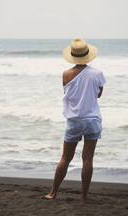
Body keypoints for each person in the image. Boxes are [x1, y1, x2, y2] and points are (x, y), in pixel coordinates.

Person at [45, 38, 106, 201]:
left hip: (74, 121)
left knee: (66, 158)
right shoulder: (97, 73)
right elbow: (98, 94)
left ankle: (53, 192)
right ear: (88, 55)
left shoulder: (66, 74)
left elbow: (68, 94)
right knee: (88, 158)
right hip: (92, 120)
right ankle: (84, 196)